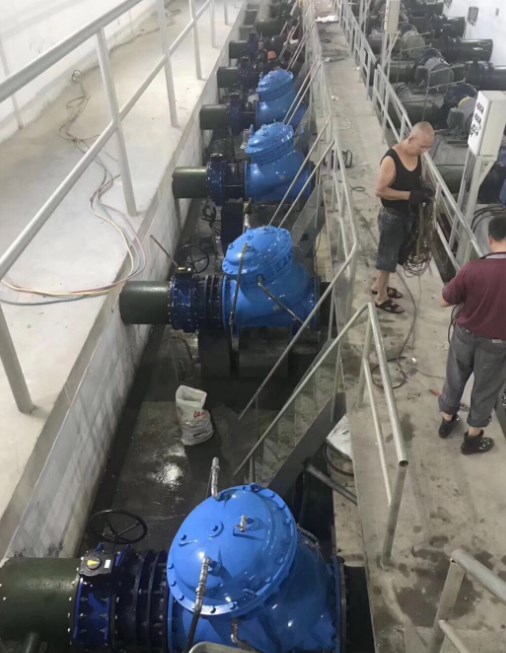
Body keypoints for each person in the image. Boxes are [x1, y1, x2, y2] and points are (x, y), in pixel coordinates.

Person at [438, 215, 506, 455]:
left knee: (455, 377)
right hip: (497, 344)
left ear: (490, 239)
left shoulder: (473, 268)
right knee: (486, 389)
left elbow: (444, 300)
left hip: (464, 335)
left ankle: (447, 422)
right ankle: (472, 440)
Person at [372, 122, 435, 313]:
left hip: (407, 215)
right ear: (411, 139)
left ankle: (378, 285)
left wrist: (423, 189)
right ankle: (381, 298)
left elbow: (413, 180)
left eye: (428, 147)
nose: (424, 151)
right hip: (392, 216)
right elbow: (380, 190)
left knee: (396, 254)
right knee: (388, 259)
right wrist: (409, 196)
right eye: (422, 146)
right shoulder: (392, 159)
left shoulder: (417, 155)